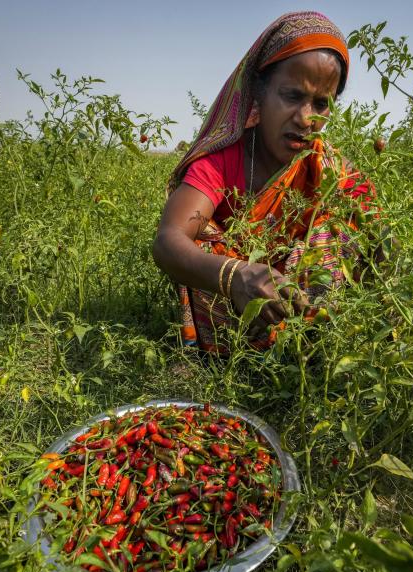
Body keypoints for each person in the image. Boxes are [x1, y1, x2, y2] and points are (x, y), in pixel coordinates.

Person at [152, 11, 377, 353]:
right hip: (231, 317)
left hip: (305, 332)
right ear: (260, 91)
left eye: (321, 104)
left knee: (344, 229)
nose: (305, 118)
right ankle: (218, 351)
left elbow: (383, 247)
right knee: (201, 241)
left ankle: (316, 346)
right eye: (292, 96)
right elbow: (169, 240)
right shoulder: (224, 160)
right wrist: (235, 276)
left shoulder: (330, 169)